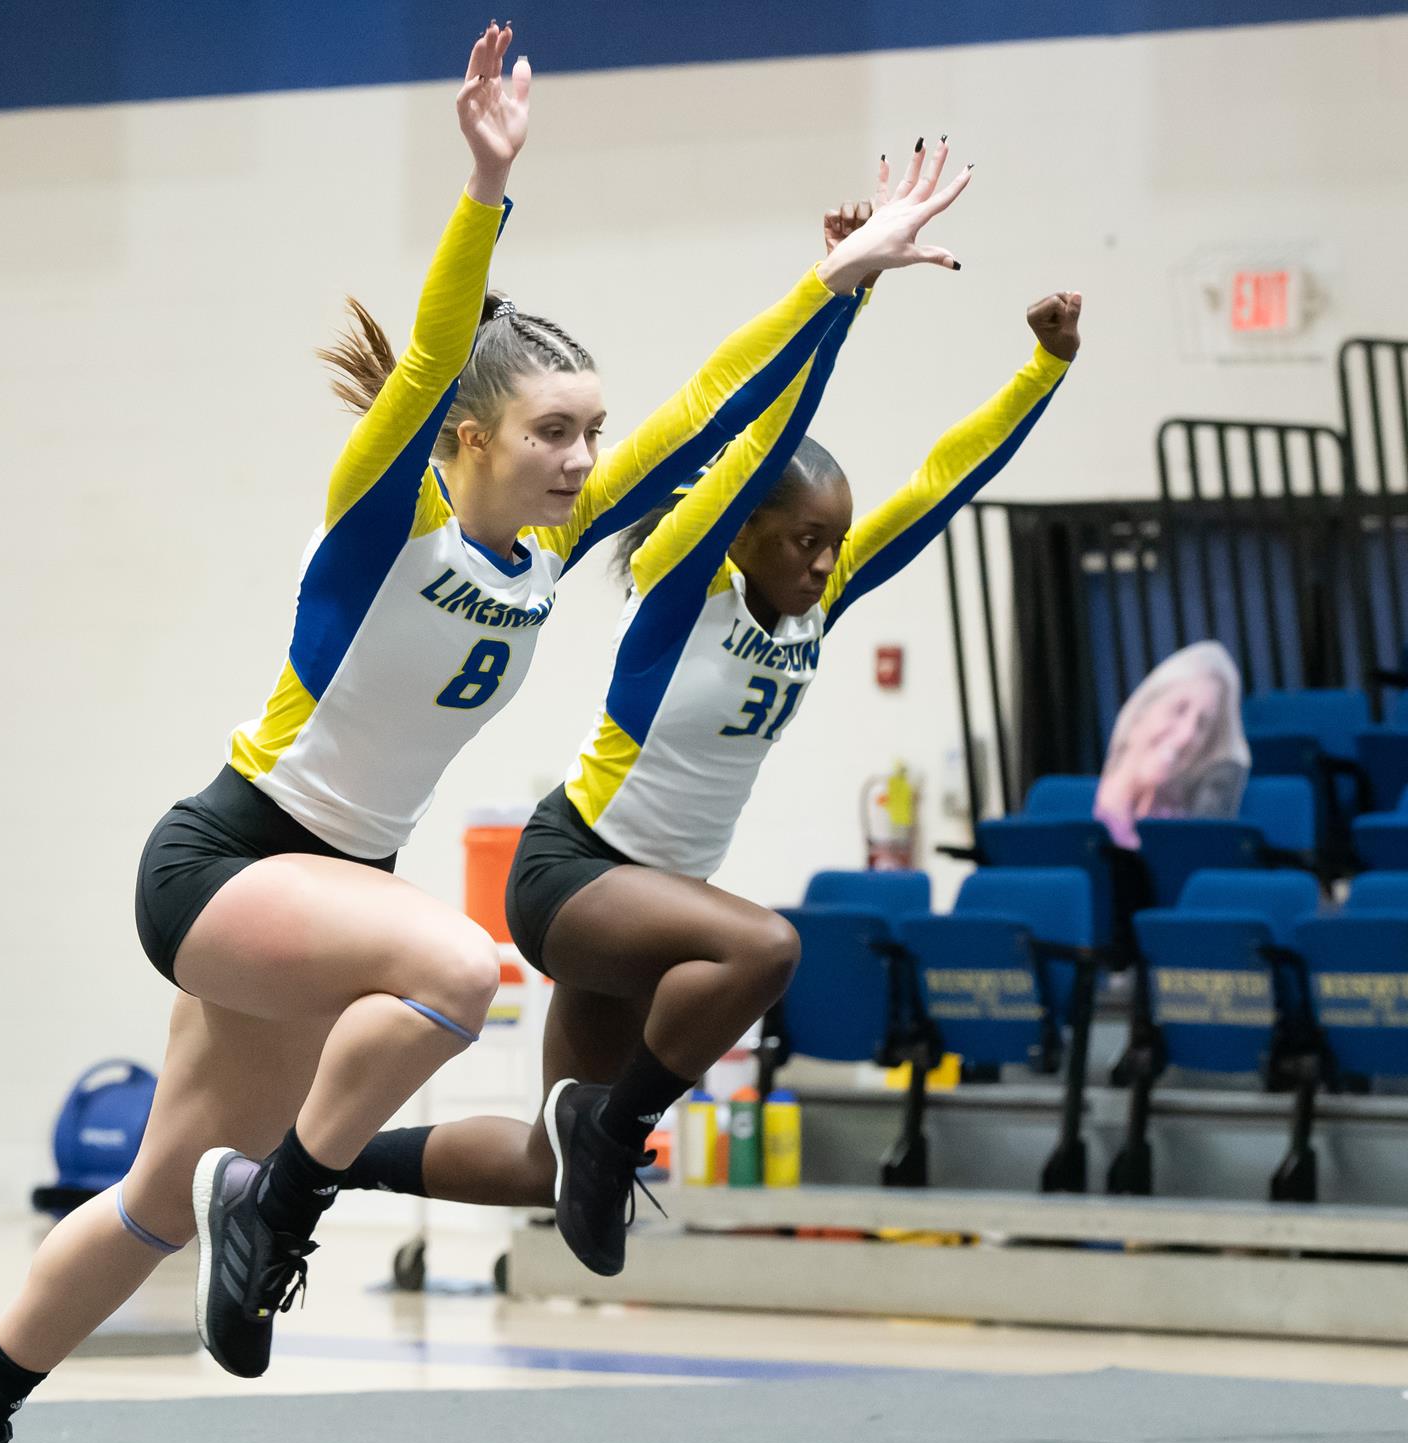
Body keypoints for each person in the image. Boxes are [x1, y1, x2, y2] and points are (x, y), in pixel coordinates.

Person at [0, 26, 964, 1443]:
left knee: (154, 1204)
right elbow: (436, 352)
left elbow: (724, 409)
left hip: (332, 893)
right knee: (460, 965)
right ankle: (291, 1199)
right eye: (552, 432)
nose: (586, 459)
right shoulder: (381, 522)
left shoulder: (546, 556)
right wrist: (485, 188)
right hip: (230, 857)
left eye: (593, 432)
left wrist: (836, 286)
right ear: (461, 438)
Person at [342, 195, 1080, 1276]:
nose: (823, 563)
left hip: (649, 909)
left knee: (551, 1167)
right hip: (577, 873)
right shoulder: (682, 585)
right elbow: (757, 432)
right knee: (764, 947)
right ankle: (614, 1128)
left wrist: (1041, 368)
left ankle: (308, 1167)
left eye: (833, 543)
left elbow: (939, 484)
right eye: (801, 541)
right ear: (738, 531)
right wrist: (846, 293)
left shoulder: (821, 601)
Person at [1092, 640, 1248, 848]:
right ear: (1139, 713)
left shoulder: (1187, 834)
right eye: (1178, 710)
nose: (1186, 736)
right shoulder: (1085, 826)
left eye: (1202, 725)